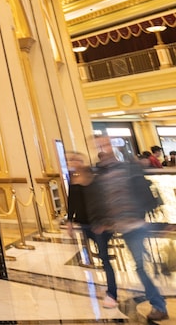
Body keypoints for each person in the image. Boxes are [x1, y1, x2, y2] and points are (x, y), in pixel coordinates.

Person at [90, 136, 167, 321]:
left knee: (140, 266)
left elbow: (140, 192)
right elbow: (101, 200)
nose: (103, 148)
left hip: (135, 225)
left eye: (106, 144)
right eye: (99, 145)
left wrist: (140, 215)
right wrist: (102, 220)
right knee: (141, 264)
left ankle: (159, 306)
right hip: (118, 225)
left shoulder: (127, 168)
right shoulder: (99, 174)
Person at [65, 153, 117, 309]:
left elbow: (103, 200)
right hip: (85, 224)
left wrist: (104, 221)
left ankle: (112, 294)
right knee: (101, 255)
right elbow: (72, 201)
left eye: (76, 159)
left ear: (82, 161)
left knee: (104, 258)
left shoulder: (94, 177)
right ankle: (109, 290)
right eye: (71, 160)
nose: (74, 162)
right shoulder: (74, 179)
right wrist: (69, 221)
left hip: (99, 224)